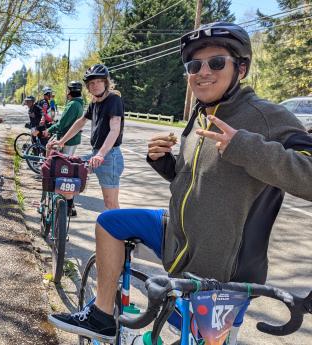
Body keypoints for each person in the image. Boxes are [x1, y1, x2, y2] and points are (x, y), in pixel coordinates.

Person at [48, 22, 312, 343]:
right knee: (109, 222)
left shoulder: (266, 116)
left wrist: (246, 147)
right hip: (178, 242)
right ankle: (103, 315)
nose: (203, 72)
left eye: (216, 63)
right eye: (194, 65)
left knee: (194, 338)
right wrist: (163, 162)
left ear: (240, 68)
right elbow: (192, 182)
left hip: (224, 272)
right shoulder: (200, 114)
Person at [49, 64, 125, 210]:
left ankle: (120, 232)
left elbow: (114, 129)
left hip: (109, 156)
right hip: (95, 154)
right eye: (91, 83)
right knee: (69, 171)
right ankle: (69, 208)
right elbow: (80, 122)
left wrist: (101, 154)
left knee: (111, 203)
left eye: (98, 81)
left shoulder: (114, 100)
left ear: (106, 83)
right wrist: (61, 141)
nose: (95, 85)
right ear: (88, 87)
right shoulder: (95, 103)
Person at [47, 81, 85, 216]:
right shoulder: (80, 103)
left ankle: (68, 204)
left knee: (62, 168)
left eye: (68, 90)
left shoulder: (73, 104)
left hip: (67, 139)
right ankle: (67, 202)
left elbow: (63, 123)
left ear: (70, 91)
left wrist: (50, 129)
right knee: (65, 167)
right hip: (72, 139)